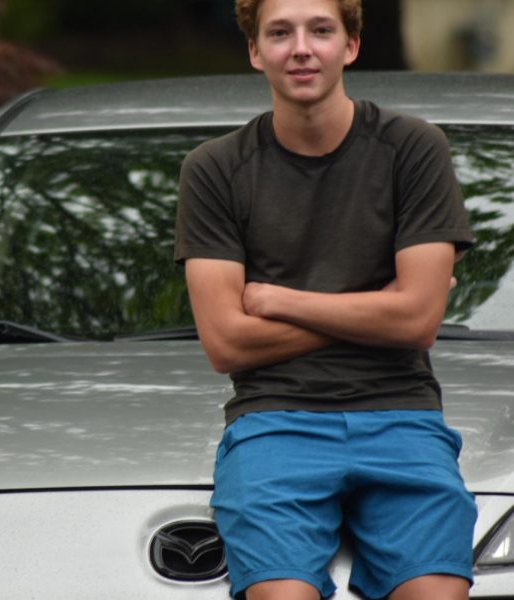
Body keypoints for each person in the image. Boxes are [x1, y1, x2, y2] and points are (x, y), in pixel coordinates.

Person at [173, 0, 478, 598]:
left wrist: (278, 300)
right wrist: (381, 305)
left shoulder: (413, 148)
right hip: (273, 421)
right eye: (280, 33)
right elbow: (226, 342)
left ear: (351, 45)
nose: (302, 48)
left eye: (321, 30)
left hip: (402, 415)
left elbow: (417, 322)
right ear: (257, 52)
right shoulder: (214, 169)